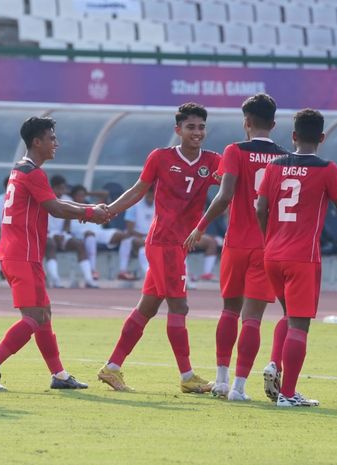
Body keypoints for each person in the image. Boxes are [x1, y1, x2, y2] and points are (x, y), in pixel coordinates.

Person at [0, 116, 110, 391]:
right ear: (37, 142)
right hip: (23, 255)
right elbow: (56, 209)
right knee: (35, 318)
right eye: (51, 138)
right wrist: (89, 213)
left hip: (18, 253)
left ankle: (59, 375)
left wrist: (88, 209)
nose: (56, 143)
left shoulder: (21, 170)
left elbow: (55, 202)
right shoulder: (33, 172)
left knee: (43, 314)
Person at [97, 102, 220, 394]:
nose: (197, 132)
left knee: (147, 308)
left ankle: (111, 368)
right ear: (178, 130)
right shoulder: (161, 157)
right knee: (179, 305)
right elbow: (139, 190)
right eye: (190, 127)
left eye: (201, 127)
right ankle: (188, 377)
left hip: (179, 244)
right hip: (163, 242)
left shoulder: (215, 161)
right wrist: (111, 210)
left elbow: (229, 189)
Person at [256, 108, 337, 407]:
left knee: (288, 314)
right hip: (303, 257)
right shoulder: (326, 169)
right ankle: (288, 394)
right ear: (322, 137)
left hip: (273, 254)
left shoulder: (274, 167)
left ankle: (273, 363)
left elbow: (260, 209)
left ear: (293, 135)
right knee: (300, 323)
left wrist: (269, 239)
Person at [184, 93, 288, 401]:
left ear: (246, 123)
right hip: (266, 246)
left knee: (229, 311)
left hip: (236, 243)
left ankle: (220, 380)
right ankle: (239, 389)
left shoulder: (234, 150)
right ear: (273, 123)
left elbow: (225, 194)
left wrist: (200, 226)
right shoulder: (284, 158)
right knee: (253, 319)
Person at [69, 184, 132, 283]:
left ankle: (123, 271)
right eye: (79, 195)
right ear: (73, 196)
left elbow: (105, 194)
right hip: (81, 235)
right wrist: (70, 193)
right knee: (90, 235)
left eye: (83, 195)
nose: (82, 197)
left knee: (124, 236)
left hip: (99, 232)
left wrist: (86, 193)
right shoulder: (69, 208)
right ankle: (93, 270)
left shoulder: (91, 205)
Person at [45, 175, 98, 288]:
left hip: (62, 235)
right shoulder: (45, 199)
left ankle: (89, 279)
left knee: (79, 244)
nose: (61, 191)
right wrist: (52, 235)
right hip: (46, 235)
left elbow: (67, 222)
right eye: (59, 188)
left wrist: (63, 234)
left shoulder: (67, 200)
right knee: (51, 244)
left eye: (63, 188)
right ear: (52, 188)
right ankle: (56, 279)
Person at [121, 186, 155, 279]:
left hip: (153, 238)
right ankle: (123, 271)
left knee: (143, 250)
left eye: (153, 195)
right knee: (126, 241)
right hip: (136, 237)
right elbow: (130, 230)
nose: (151, 198)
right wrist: (145, 236)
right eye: (149, 195)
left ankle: (150, 275)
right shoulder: (134, 205)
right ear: (145, 194)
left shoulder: (159, 205)